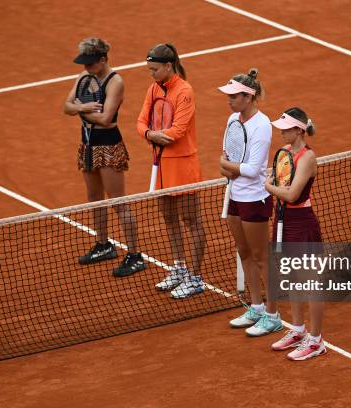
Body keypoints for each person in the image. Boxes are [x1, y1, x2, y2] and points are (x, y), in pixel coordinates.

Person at [63, 37, 145, 277]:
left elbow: (107, 119)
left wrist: (80, 109)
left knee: (118, 201)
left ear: (102, 60)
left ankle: (134, 254)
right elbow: (66, 107)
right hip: (87, 143)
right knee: (94, 198)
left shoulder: (115, 82)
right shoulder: (84, 77)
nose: (85, 68)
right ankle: (103, 245)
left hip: (108, 144)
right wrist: (85, 109)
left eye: (90, 63)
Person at [136, 43, 206, 299]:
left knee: (191, 220)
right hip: (161, 165)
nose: (151, 74)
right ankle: (179, 267)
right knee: (169, 218)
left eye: (154, 69)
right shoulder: (153, 89)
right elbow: (140, 122)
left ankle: (196, 277)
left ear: (168, 66)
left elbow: (178, 131)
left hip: (183, 165)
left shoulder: (185, 91)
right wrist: (150, 134)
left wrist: (152, 135)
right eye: (149, 70)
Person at [218, 69, 283, 336]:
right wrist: (231, 167)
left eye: (234, 96)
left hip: (254, 198)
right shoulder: (233, 118)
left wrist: (229, 166)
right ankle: (256, 307)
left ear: (249, 96)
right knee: (244, 252)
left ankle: (273, 313)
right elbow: (228, 158)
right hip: (234, 195)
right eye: (229, 96)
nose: (229, 100)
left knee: (261, 257)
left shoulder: (262, 125)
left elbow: (254, 168)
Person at [265, 107, 326, 360]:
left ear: (299, 130)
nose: (281, 132)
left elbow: (290, 194)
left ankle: (316, 340)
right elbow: (282, 186)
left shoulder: (307, 157)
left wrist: (268, 185)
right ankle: (298, 330)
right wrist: (273, 183)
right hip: (284, 221)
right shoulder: (285, 153)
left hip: (302, 222)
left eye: (286, 128)